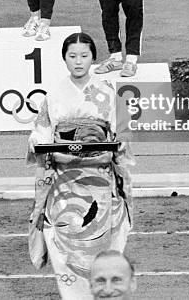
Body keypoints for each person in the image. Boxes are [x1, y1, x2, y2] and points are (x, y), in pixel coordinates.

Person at [27, 33, 133, 299]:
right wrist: (38, 143)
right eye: (72, 56)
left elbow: (122, 133)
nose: (78, 61)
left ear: (93, 58)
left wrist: (118, 144)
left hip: (98, 181)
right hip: (65, 185)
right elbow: (40, 133)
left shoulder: (108, 93)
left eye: (84, 56)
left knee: (99, 250)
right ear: (64, 59)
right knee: (65, 251)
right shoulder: (53, 97)